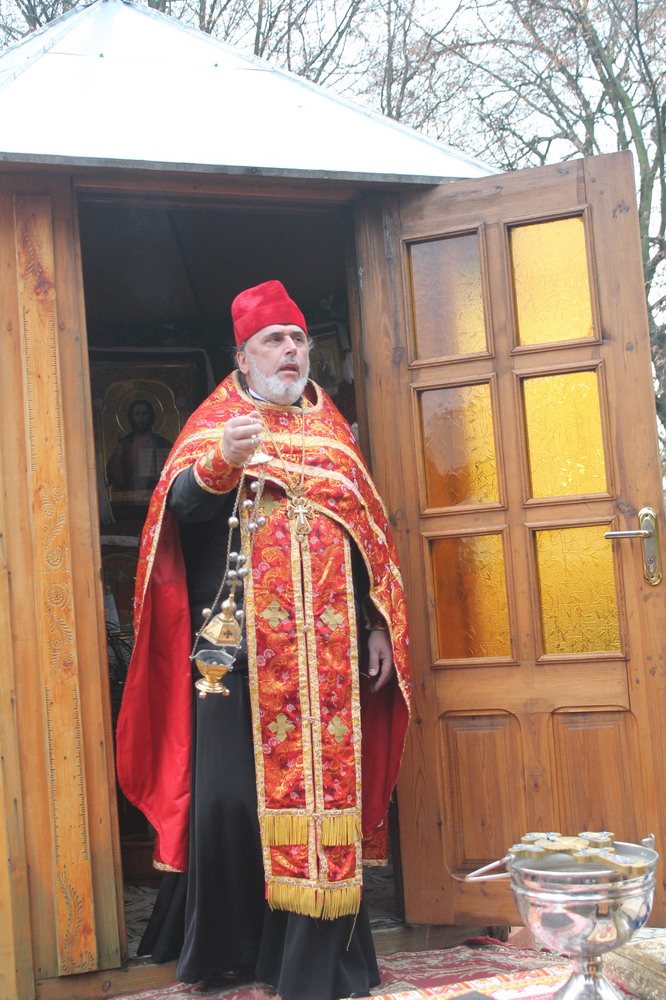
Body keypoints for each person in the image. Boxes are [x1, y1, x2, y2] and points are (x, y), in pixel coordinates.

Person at [116, 280, 410, 1000]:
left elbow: (369, 542)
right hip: (234, 653)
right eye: (272, 340)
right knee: (227, 801)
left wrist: (377, 623)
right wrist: (221, 460)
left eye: (297, 339)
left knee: (324, 801)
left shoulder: (333, 435)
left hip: (329, 655)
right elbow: (178, 513)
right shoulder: (218, 423)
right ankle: (230, 951)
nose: (289, 351)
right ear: (241, 358)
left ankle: (314, 962)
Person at [106, 398, 172, 491]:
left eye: (145, 414)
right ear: (131, 417)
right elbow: (113, 473)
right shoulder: (125, 444)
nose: (141, 418)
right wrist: (118, 456)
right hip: (129, 494)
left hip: (156, 492)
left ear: (151, 416)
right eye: (137, 414)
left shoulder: (162, 443)